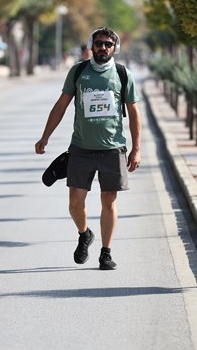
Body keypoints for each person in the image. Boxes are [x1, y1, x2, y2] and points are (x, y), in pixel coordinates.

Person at [35, 26, 141, 270]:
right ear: (91, 46)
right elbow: (61, 105)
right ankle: (84, 234)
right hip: (81, 148)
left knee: (109, 200)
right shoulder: (78, 71)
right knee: (75, 202)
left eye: (108, 44)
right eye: (98, 43)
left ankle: (106, 253)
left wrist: (136, 149)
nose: (103, 47)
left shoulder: (123, 74)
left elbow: (134, 112)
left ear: (114, 48)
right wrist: (45, 137)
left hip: (113, 149)